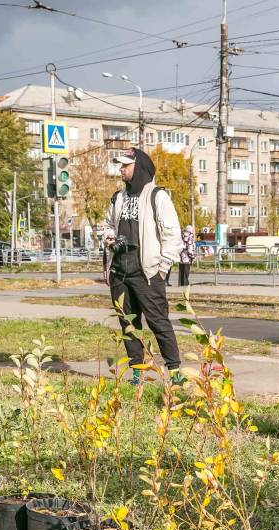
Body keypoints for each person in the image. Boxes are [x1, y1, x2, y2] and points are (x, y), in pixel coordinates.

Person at [104, 147, 183, 380]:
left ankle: (175, 373)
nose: (121, 170)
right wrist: (108, 237)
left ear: (138, 168)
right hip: (120, 272)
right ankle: (137, 373)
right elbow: (108, 224)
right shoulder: (118, 197)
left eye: (126, 166)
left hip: (147, 273)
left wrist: (162, 268)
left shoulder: (156, 196)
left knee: (159, 322)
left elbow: (172, 235)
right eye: (121, 165)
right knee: (129, 324)